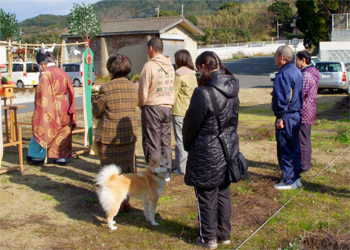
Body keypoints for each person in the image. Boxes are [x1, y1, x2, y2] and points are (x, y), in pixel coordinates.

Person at [183, 51, 239, 249]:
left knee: (206, 194)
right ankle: (224, 234)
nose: (199, 73)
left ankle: (208, 237)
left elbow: (190, 124)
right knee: (223, 191)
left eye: (199, 69)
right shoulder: (232, 86)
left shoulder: (203, 93)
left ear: (205, 66)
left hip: (208, 150)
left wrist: (187, 144)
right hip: (228, 147)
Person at [92, 54, 138, 212]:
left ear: (111, 69)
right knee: (127, 171)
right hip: (128, 136)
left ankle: (114, 205)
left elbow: (97, 112)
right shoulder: (133, 86)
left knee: (110, 173)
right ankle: (125, 201)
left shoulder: (106, 88)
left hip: (109, 137)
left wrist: (94, 100)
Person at [27, 50, 77, 165]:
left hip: (51, 104)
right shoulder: (62, 72)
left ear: (42, 64)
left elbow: (43, 94)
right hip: (64, 104)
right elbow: (70, 90)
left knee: (42, 127)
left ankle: (37, 156)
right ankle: (60, 157)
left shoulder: (45, 74)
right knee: (62, 132)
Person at [138, 37, 175, 168]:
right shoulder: (170, 66)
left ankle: (156, 172)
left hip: (152, 107)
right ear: (163, 49)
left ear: (150, 48)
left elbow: (143, 90)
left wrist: (141, 105)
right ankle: (167, 170)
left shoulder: (149, 66)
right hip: (167, 107)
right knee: (165, 141)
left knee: (152, 141)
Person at [272, 45, 303, 190]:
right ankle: (296, 177)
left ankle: (288, 180)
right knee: (294, 146)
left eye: (276, 56)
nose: (275, 58)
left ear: (282, 57)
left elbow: (282, 98)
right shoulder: (296, 71)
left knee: (285, 147)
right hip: (296, 113)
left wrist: (279, 117)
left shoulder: (283, 74)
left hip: (287, 115)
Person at [171, 50, 197, 175]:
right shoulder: (193, 74)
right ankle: (191, 165)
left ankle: (181, 168)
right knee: (190, 140)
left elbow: (174, 94)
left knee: (180, 140)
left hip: (179, 111)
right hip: (191, 111)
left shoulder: (179, 74)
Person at [295, 51, 320, 171]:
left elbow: (300, 94)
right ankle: (305, 164)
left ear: (303, 60)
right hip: (309, 110)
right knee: (305, 139)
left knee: (302, 140)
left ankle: (304, 165)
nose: (296, 63)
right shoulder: (311, 72)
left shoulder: (306, 75)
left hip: (304, 111)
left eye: (297, 60)